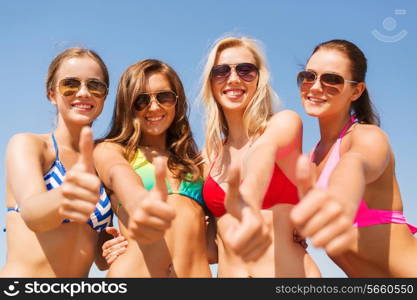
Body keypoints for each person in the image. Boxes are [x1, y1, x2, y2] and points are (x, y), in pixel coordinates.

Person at [291, 39, 417, 277]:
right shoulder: (310, 161)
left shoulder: (367, 137)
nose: (316, 87)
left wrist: (340, 199)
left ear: (356, 91)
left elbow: (355, 165)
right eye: (309, 76)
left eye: (332, 80)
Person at [200, 36, 320, 277]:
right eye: (221, 71)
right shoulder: (207, 156)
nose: (233, 79)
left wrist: (247, 198)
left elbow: (262, 154)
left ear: (259, 79)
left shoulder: (284, 123)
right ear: (211, 83)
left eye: (245, 70)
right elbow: (212, 251)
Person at [0, 47, 116, 277]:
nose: (83, 93)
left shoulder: (103, 161)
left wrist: (116, 246)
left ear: (104, 96)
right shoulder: (30, 145)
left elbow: (101, 260)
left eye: (94, 86)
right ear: (52, 94)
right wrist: (67, 194)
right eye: (70, 84)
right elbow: (33, 213)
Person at [94, 59, 212, 277]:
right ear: (127, 106)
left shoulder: (195, 163)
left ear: (177, 102)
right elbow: (118, 173)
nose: (154, 106)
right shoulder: (111, 150)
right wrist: (140, 203)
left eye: (164, 97)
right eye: (141, 100)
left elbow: (213, 251)